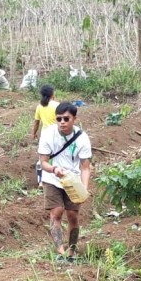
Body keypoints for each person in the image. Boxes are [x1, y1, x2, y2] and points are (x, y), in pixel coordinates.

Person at [38, 102, 92, 261]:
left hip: (73, 180)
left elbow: (85, 167)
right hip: (51, 178)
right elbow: (44, 162)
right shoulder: (48, 134)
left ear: (74, 119)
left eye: (66, 119)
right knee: (56, 212)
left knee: (73, 215)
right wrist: (55, 170)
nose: (62, 122)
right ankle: (60, 251)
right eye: (59, 119)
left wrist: (84, 188)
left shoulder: (82, 138)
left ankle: (72, 253)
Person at [32, 85, 59, 186]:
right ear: (52, 94)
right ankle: (54, 180)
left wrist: (34, 133)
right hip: (56, 135)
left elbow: (36, 123)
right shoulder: (57, 105)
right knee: (56, 157)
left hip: (44, 136)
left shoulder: (40, 106)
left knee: (42, 159)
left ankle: (41, 182)